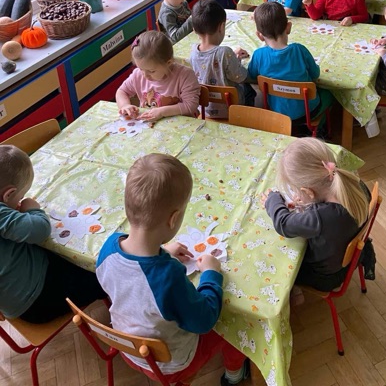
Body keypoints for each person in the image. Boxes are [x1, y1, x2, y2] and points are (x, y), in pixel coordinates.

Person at [96, 153, 249, 385]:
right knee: (237, 324)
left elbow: (134, 278)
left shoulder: (109, 247)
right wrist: (211, 274)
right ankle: (234, 375)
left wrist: (162, 250)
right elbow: (204, 320)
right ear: (174, 219)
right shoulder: (167, 277)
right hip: (170, 363)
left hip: (129, 349)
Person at [0, 145, 105, 323]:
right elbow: (40, 230)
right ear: (8, 194)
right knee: (102, 274)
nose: (21, 201)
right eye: (21, 196)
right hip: (36, 300)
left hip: (15, 293)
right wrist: (32, 209)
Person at [262, 138, 373, 294]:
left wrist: (272, 199)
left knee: (276, 263)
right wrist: (309, 201)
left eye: (296, 190)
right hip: (351, 258)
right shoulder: (354, 184)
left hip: (324, 277)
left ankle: (295, 293)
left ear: (309, 192)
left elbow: (283, 224)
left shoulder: (318, 217)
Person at [247, 2, 332, 134]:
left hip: (276, 111)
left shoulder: (259, 55)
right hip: (308, 112)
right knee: (329, 93)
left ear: (259, 35)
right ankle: (320, 129)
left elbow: (252, 75)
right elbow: (315, 74)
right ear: (288, 27)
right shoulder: (300, 50)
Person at [190, 0, 255, 118]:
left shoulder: (194, 51)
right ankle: (246, 119)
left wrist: (233, 58)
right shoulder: (224, 52)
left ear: (194, 30)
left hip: (205, 109)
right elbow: (240, 76)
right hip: (229, 108)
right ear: (221, 27)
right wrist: (236, 61)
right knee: (249, 90)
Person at [116, 31, 200, 121]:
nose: (145, 75)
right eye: (140, 69)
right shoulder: (138, 75)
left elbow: (190, 106)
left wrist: (162, 112)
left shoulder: (185, 75)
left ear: (168, 63)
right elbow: (122, 91)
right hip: (149, 124)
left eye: (151, 71)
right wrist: (125, 105)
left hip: (181, 124)